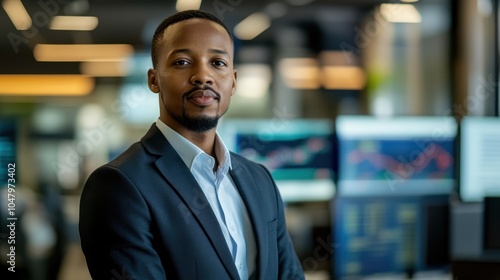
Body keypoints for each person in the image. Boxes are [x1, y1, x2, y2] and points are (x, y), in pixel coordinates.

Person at [79, 9, 305, 280]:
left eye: (218, 63)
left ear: (233, 82)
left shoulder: (260, 179)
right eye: (183, 62)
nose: (203, 76)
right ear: (154, 80)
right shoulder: (118, 185)